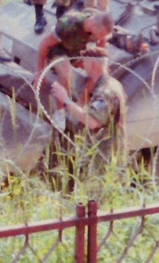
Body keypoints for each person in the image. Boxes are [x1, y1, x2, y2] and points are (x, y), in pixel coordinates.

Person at [47, 47, 127, 189]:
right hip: (105, 152)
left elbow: (92, 121)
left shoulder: (105, 91)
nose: (82, 65)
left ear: (93, 65)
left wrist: (65, 100)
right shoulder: (111, 84)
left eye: (85, 62)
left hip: (104, 155)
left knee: (96, 194)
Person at [36, 8, 115, 89]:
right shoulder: (68, 25)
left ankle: (84, 96)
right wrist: (39, 73)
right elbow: (44, 44)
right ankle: (60, 96)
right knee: (66, 76)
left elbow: (102, 41)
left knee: (98, 71)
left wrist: (99, 62)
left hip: (77, 50)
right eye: (101, 34)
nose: (101, 37)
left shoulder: (98, 25)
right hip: (59, 50)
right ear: (94, 25)